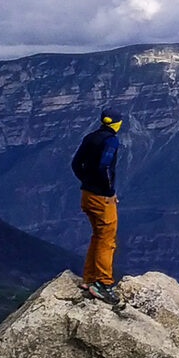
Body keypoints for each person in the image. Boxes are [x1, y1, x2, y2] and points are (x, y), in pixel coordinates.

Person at [71, 109, 123, 303]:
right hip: (102, 198)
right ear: (116, 124)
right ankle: (103, 283)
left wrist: (87, 181)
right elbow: (105, 166)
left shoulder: (90, 137)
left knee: (97, 235)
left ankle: (89, 278)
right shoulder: (111, 141)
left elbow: (76, 163)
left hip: (87, 194)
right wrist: (109, 192)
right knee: (107, 239)